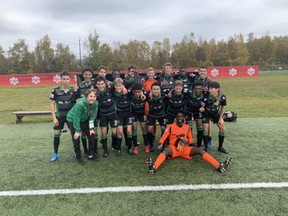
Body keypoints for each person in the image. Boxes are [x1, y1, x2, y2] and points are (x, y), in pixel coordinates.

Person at [146, 112, 232, 174]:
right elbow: (164, 136)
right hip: (173, 148)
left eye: (181, 117)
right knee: (165, 151)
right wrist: (161, 143)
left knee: (200, 150)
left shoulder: (187, 127)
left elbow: (190, 140)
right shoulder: (170, 126)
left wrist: (186, 140)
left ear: (183, 118)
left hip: (185, 149)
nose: (179, 118)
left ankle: (218, 166)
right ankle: (154, 167)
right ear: (176, 118)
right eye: (178, 116)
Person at [66, 89, 99, 164]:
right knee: (76, 138)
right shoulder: (80, 104)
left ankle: (90, 154)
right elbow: (76, 118)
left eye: (94, 96)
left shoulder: (96, 103)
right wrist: (77, 131)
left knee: (92, 134)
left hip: (84, 119)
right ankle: (78, 157)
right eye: (90, 96)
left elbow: (93, 116)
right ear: (86, 96)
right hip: (72, 119)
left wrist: (91, 128)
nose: (92, 98)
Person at [50, 70, 75, 162]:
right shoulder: (55, 91)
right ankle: (56, 153)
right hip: (59, 116)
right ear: (61, 79)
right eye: (64, 79)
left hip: (70, 117)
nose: (65, 81)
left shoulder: (73, 90)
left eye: (67, 79)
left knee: (74, 134)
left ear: (70, 80)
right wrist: (54, 117)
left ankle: (76, 151)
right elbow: (52, 104)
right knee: (57, 134)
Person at [200, 81, 228, 153]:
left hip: (216, 114)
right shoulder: (205, 96)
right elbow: (201, 106)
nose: (210, 90)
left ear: (217, 89)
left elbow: (223, 107)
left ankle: (220, 147)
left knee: (222, 128)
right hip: (206, 113)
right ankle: (206, 147)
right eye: (209, 89)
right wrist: (201, 109)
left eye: (212, 89)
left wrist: (221, 118)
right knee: (205, 128)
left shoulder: (222, 97)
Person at [94, 76, 118, 157]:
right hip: (103, 115)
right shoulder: (95, 93)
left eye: (102, 84)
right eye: (99, 84)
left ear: (105, 83)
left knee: (114, 132)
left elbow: (119, 83)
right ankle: (105, 150)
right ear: (96, 85)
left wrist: (123, 87)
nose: (101, 85)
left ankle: (114, 145)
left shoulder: (110, 89)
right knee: (104, 132)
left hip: (112, 114)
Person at [73, 67, 95, 155]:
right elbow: (74, 98)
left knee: (93, 130)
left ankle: (93, 149)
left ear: (91, 75)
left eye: (89, 75)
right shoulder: (79, 86)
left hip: (92, 111)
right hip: (83, 112)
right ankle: (85, 149)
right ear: (83, 75)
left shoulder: (94, 84)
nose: (87, 76)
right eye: (86, 74)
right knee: (83, 133)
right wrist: (76, 99)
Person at [144, 82, 167, 152]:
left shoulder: (163, 95)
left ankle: (162, 144)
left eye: (157, 89)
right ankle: (151, 145)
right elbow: (141, 93)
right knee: (149, 129)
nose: (156, 91)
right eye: (154, 89)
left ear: (160, 90)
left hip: (161, 114)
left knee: (163, 128)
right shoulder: (148, 95)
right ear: (151, 90)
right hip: (152, 114)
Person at [185, 81, 205, 147]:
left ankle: (199, 143)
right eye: (196, 88)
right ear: (193, 89)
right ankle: (190, 143)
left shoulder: (205, 94)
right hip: (189, 110)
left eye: (200, 89)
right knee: (189, 126)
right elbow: (178, 88)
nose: (198, 90)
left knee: (200, 126)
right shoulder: (188, 92)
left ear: (202, 89)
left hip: (198, 111)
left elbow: (220, 91)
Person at [130, 83, 148, 154]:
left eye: (139, 92)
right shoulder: (130, 96)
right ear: (133, 92)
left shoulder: (145, 96)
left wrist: (143, 93)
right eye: (135, 92)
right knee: (134, 129)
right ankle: (135, 147)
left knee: (144, 128)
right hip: (134, 114)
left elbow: (151, 92)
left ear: (141, 90)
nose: (137, 93)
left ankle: (146, 145)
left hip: (142, 114)